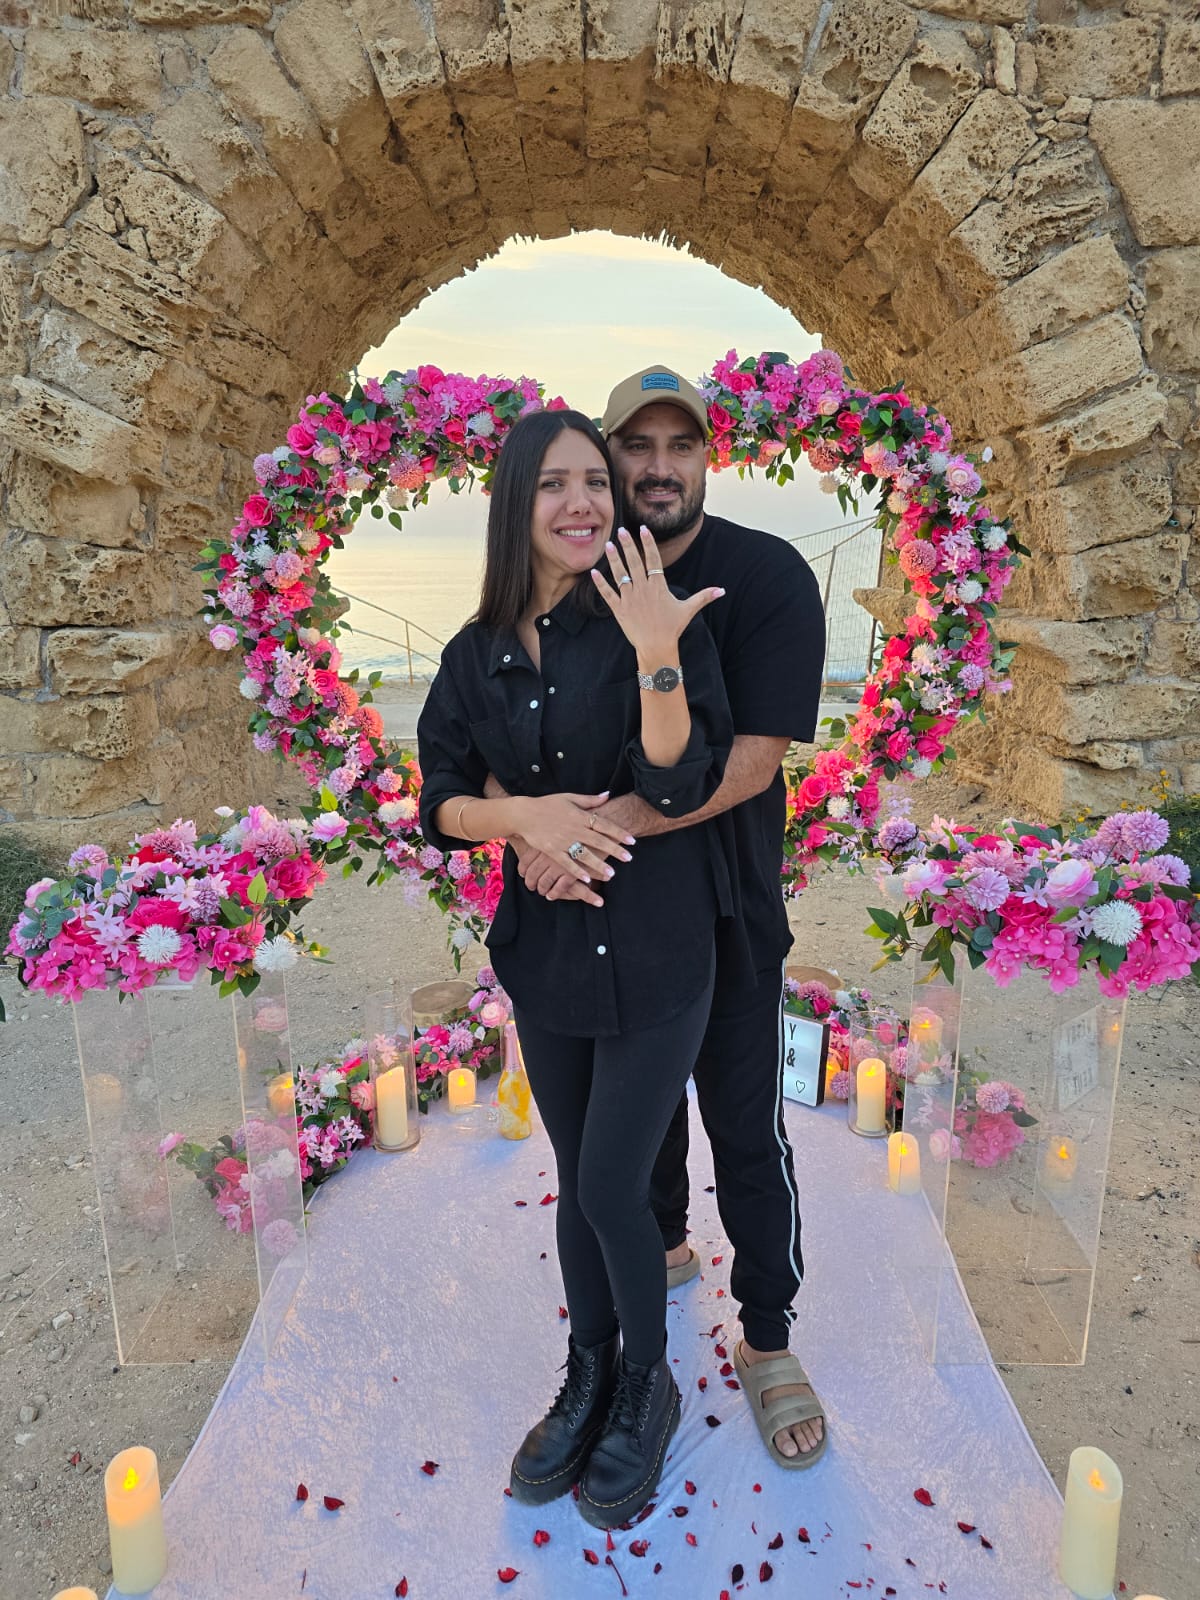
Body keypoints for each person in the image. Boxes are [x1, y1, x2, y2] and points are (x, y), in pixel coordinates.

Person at [416, 408, 733, 1528]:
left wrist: (656, 651)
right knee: (576, 1174)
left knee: (608, 1185)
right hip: (547, 958)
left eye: (594, 480)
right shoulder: (474, 655)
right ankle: (589, 1370)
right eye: (554, 483)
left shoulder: (654, 617)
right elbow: (440, 803)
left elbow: (683, 781)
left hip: (658, 952)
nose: (582, 501)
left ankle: (647, 1381)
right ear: (517, 503)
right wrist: (525, 820)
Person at [510, 366, 829, 1470]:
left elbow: (754, 760)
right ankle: (664, 1249)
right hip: (614, 921)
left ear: (707, 457)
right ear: (606, 462)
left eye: (677, 446)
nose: (656, 468)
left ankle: (768, 1337)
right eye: (634, 448)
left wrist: (594, 830)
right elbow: (516, 728)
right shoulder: (574, 576)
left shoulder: (767, 575)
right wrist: (531, 829)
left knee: (745, 1128)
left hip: (729, 908)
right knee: (631, 1127)